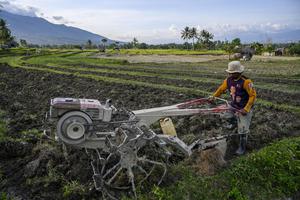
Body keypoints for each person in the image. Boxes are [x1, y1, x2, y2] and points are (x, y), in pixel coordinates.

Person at [211, 61, 256, 155]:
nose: (230, 74)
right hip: (233, 105)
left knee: (243, 129)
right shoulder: (228, 80)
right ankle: (235, 122)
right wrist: (214, 96)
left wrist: (246, 109)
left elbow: (253, 96)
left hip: (244, 108)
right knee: (222, 113)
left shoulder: (246, 82)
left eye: (232, 72)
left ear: (239, 72)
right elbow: (221, 89)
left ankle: (242, 147)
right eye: (230, 72)